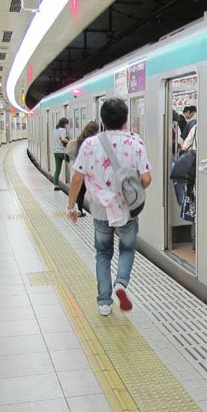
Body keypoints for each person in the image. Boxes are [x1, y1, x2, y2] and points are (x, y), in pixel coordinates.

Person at [66, 99, 152, 316]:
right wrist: (134, 188)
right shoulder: (135, 143)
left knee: (103, 254)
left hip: (100, 209)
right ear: (126, 119)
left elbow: (77, 179)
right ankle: (121, 283)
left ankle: (104, 303)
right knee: (127, 249)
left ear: (103, 120)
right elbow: (146, 178)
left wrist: (71, 207)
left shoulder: (89, 144)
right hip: (127, 210)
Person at [74, 120, 99, 217]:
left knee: (81, 191)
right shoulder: (91, 141)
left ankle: (79, 209)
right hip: (90, 169)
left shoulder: (80, 139)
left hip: (81, 168)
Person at [52, 117, 70, 190]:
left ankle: (56, 185)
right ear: (64, 124)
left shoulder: (55, 130)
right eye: (67, 124)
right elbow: (63, 139)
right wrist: (70, 142)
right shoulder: (63, 130)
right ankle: (71, 180)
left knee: (57, 170)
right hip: (62, 152)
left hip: (56, 152)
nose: (67, 125)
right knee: (72, 163)